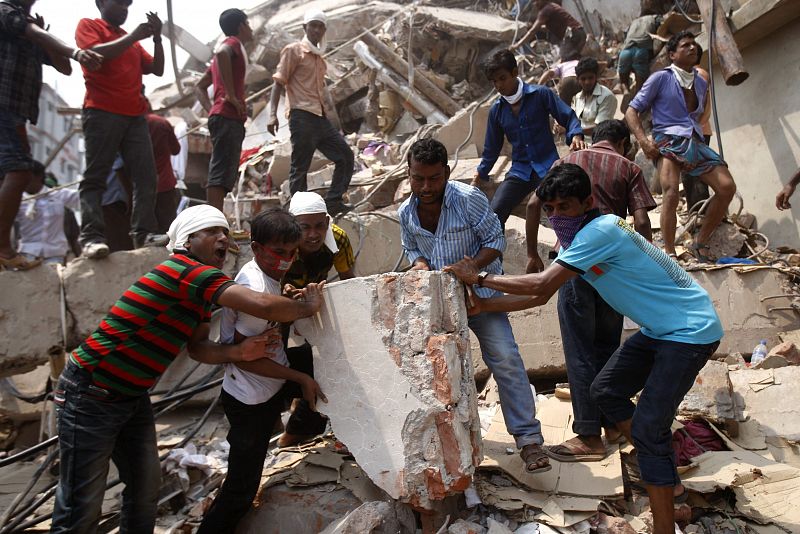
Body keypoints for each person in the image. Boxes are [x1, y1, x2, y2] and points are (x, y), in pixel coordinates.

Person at [445, 163, 722, 534]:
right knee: (605, 389)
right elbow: (543, 294)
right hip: (662, 329)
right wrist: (484, 305)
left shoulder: (599, 231)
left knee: (649, 430)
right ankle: (660, 471)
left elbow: (540, 282)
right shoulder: (582, 237)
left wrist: (478, 278)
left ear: (588, 202)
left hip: (690, 332)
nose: (557, 216)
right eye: (550, 209)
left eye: (565, 207)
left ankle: (663, 510)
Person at [51, 204, 326, 533]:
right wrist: (307, 306)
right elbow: (262, 304)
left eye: (225, 232)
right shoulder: (186, 271)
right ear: (187, 241)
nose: (223, 238)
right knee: (82, 504)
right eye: (212, 232)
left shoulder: (200, 293)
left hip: (131, 395)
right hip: (91, 392)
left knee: (144, 491)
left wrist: (237, 350)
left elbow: (198, 347)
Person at [400, 138, 550, 474]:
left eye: (433, 179)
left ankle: (529, 441)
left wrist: (472, 271)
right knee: (432, 370)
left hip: (479, 296)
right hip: (437, 302)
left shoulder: (469, 200)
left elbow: (495, 241)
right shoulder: (405, 212)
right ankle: (443, 445)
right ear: (408, 175)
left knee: (506, 359)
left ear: (447, 173)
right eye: (418, 178)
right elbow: (412, 248)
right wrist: (421, 265)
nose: (425, 187)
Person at [526, 120, 656, 461]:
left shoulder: (566, 163)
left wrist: (530, 254)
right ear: (624, 144)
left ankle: (588, 435)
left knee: (579, 351)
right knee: (606, 348)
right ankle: (612, 424)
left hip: (573, 265)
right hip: (612, 273)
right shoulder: (629, 167)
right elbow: (642, 223)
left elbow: (530, 204)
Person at [197, 208, 328, 534]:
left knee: (325, 365)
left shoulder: (264, 274)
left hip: (269, 382)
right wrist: (300, 379)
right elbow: (243, 357)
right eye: (278, 252)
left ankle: (300, 432)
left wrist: (286, 295)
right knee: (241, 489)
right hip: (250, 398)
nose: (285, 260)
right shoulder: (254, 284)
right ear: (256, 248)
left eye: (291, 253)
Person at [0, 0, 102, 270]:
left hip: (17, 113)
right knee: (20, 171)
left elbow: (63, 68)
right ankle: (3, 248)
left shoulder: (31, 28)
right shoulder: (5, 11)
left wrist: (52, 45)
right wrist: (76, 52)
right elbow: (35, 34)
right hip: (4, 105)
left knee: (12, 174)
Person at [625, 31, 736, 262]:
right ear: (672, 55)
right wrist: (644, 142)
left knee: (726, 186)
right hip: (667, 141)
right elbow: (631, 111)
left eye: (694, 44)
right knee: (672, 192)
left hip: (694, 140)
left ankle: (700, 241)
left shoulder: (700, 80)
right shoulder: (661, 78)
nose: (692, 48)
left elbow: (701, 115)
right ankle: (669, 252)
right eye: (685, 45)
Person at [75, 0, 167, 258]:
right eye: (119, 3)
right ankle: (91, 238)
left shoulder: (132, 41)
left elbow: (157, 70)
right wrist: (136, 36)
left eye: (128, 5)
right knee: (96, 176)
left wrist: (157, 38)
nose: (125, 9)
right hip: (101, 112)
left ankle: (144, 233)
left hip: (135, 116)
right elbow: (96, 55)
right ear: (101, 3)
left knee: (146, 176)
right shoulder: (89, 26)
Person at [278, 191, 356, 446]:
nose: (313, 234)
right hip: (277, 308)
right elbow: (268, 286)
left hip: (313, 302)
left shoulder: (339, 240)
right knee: (274, 360)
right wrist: (287, 295)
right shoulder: (281, 246)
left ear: (327, 221)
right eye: (305, 228)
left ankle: (300, 424)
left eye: (319, 225)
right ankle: (279, 420)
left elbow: (349, 282)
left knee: (326, 364)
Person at [472, 50, 585, 225]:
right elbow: (491, 148)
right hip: (520, 170)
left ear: (515, 73)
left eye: (502, 78)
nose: (499, 85)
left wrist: (576, 134)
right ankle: (495, 253)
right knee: (495, 214)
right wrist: (481, 173)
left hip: (549, 166)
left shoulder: (541, 94)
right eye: (494, 81)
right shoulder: (497, 110)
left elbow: (568, 116)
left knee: (559, 209)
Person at [267, 9, 354, 216]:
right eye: (312, 25)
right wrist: (272, 114)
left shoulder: (319, 59)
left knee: (345, 156)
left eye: (320, 26)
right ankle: (299, 212)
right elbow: (278, 83)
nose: (316, 29)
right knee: (300, 167)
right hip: (301, 116)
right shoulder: (294, 51)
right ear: (304, 28)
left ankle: (333, 200)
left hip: (319, 117)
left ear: (324, 30)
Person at [194, 8, 252, 212]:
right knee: (220, 172)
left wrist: (211, 109)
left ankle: (215, 220)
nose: (251, 29)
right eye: (249, 24)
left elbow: (199, 86)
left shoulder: (231, 51)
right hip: (227, 117)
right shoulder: (232, 44)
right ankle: (214, 220)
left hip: (223, 116)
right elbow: (221, 53)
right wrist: (230, 95)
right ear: (241, 26)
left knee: (225, 171)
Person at [14, 161, 79, 265]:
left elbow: (85, 196)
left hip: (55, 256)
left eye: (26, 177)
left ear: (38, 177)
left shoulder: (59, 195)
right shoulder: (16, 200)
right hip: (27, 255)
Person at [145, 103, 182, 233]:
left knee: (148, 229)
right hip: (165, 184)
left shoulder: (130, 125)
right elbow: (176, 150)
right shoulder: (161, 123)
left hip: (141, 189)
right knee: (168, 228)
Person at [512, 0, 586, 62]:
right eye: (533, 2)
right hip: (578, 33)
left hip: (573, 35)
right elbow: (548, 28)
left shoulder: (546, 10)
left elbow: (533, 31)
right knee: (573, 58)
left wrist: (517, 45)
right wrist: (534, 27)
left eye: (537, 0)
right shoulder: (551, 6)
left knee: (566, 59)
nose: (535, 3)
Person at [616, 10, 662, 95]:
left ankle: (625, 89)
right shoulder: (655, 18)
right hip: (641, 50)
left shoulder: (633, 22)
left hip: (625, 51)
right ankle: (638, 96)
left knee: (624, 79)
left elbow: (625, 35)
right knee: (640, 85)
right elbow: (662, 30)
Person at [572, 57, 616, 141]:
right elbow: (573, 121)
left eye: (590, 78)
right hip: (581, 143)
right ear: (578, 80)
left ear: (596, 77)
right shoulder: (577, 97)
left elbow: (600, 128)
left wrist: (575, 131)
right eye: (583, 79)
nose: (587, 82)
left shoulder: (607, 96)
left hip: (599, 144)